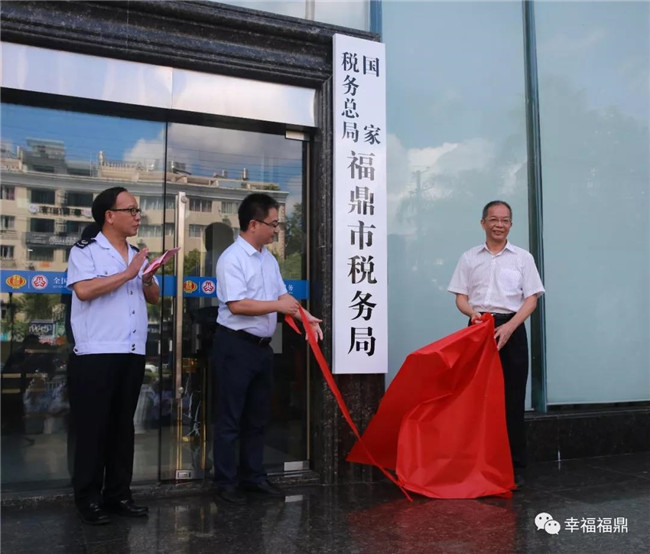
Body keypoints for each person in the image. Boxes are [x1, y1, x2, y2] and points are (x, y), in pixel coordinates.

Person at [212, 193, 323, 504]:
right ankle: (225, 483)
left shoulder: (268, 259)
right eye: (273, 224)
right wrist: (279, 305)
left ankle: (253, 477)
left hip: (262, 348)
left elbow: (282, 299)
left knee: (258, 417)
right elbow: (238, 304)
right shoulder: (232, 259)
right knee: (231, 418)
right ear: (253, 223)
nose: (276, 230)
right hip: (235, 346)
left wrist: (304, 316)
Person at [66, 187, 160, 524]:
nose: (138, 216)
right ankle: (88, 499)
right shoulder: (85, 251)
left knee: (123, 428)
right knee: (93, 429)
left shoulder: (136, 253)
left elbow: (153, 298)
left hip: (131, 351)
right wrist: (127, 273)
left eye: (138, 210)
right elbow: (84, 290)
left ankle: (119, 494)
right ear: (110, 216)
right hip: (96, 353)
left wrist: (147, 278)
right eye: (131, 210)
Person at [448, 200, 544, 488]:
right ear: (483, 223)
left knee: (512, 399)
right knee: (475, 399)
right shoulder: (469, 258)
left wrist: (510, 326)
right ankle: (474, 463)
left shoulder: (522, 258)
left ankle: (515, 466)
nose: (499, 225)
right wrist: (473, 315)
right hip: (478, 329)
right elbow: (461, 297)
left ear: (511, 225)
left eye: (505, 220)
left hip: (512, 330)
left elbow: (532, 298)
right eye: (493, 219)